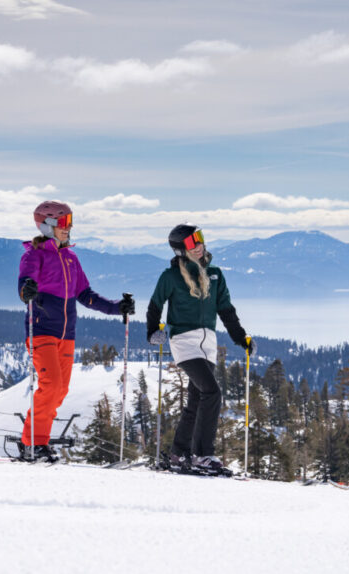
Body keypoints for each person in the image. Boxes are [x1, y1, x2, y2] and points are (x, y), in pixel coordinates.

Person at [17, 201, 134, 462]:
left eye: (69, 221)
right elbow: (25, 283)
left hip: (66, 335)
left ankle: (34, 440)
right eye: (62, 222)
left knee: (60, 391)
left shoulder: (70, 257)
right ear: (46, 225)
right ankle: (33, 444)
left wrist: (117, 308)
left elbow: (85, 294)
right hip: (42, 331)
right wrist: (27, 291)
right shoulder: (34, 254)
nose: (67, 227)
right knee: (51, 386)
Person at [146, 224, 253, 475]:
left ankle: (178, 454)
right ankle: (202, 455)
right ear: (182, 249)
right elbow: (154, 305)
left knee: (196, 399)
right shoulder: (170, 276)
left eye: (200, 239)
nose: (199, 245)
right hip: (183, 341)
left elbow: (226, 309)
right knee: (212, 392)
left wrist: (241, 337)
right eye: (193, 242)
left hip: (209, 344)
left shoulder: (215, 274)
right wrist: (152, 333)